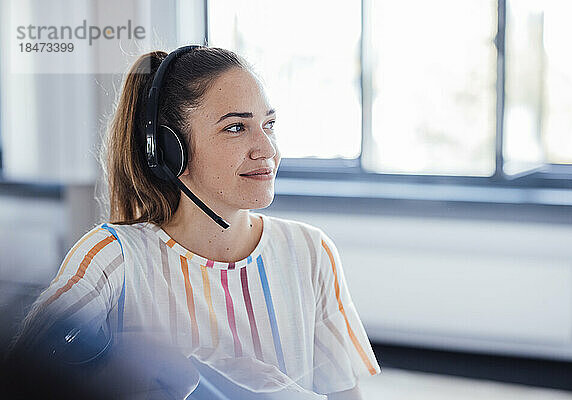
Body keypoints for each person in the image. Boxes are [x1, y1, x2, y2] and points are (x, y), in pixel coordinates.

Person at [8, 45, 380, 399]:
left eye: (269, 124)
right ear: (170, 150)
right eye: (236, 127)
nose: (267, 149)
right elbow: (22, 370)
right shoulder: (113, 257)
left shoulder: (310, 252)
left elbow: (344, 394)